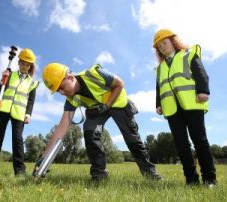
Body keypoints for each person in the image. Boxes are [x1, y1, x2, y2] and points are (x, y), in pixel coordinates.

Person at [34, 62, 161, 181]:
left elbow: (119, 84)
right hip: (98, 111)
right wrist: (43, 158)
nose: (61, 93)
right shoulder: (71, 99)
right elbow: (62, 127)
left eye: (61, 87)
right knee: (89, 131)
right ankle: (99, 175)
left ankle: (150, 173)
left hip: (117, 102)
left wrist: (107, 105)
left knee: (132, 138)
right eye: (57, 91)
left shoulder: (94, 75)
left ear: (71, 78)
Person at [153, 29, 217, 186]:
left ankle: (210, 179)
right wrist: (158, 104)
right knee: (181, 145)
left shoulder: (188, 55)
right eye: (159, 46)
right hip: (172, 109)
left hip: (192, 104)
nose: (162, 46)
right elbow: (159, 87)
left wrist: (203, 91)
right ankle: (191, 180)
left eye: (164, 42)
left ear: (173, 41)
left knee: (200, 141)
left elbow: (201, 73)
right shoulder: (160, 68)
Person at [0, 48, 39, 176]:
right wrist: (2, 80)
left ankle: (20, 171)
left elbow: (31, 101)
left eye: (27, 65)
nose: (24, 66)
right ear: (19, 62)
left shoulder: (32, 83)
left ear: (30, 66)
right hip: (3, 109)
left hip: (19, 113)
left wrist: (28, 114)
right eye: (22, 63)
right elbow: (1, 91)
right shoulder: (10, 75)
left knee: (17, 141)